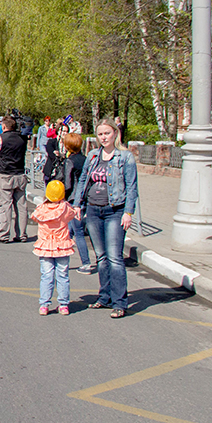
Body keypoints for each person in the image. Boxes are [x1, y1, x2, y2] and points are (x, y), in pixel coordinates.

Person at [74, 119, 139, 319]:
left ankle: (120, 302)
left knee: (115, 257)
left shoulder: (125, 157)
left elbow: (132, 186)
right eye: (100, 134)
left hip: (115, 211)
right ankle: (104, 297)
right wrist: (78, 204)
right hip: (94, 210)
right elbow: (84, 179)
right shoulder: (93, 156)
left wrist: (128, 212)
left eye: (107, 133)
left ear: (115, 133)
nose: (103, 137)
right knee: (101, 257)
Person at [32, 180, 79, 316]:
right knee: (63, 276)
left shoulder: (41, 209)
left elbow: (35, 217)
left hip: (45, 246)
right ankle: (63, 304)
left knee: (46, 276)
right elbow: (72, 214)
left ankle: (44, 304)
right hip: (62, 246)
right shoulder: (65, 209)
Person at [0, 113, 29, 243]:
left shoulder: (0, 139)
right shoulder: (22, 138)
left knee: (5, 205)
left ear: (5, 126)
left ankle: (3, 235)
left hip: (5, 175)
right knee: (21, 206)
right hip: (20, 175)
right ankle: (22, 234)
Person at [60, 133, 93, 274]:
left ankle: (86, 263)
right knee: (69, 231)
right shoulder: (86, 160)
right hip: (86, 198)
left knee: (77, 232)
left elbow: (67, 183)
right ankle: (62, 260)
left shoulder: (70, 161)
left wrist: (62, 197)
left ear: (67, 146)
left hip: (74, 200)